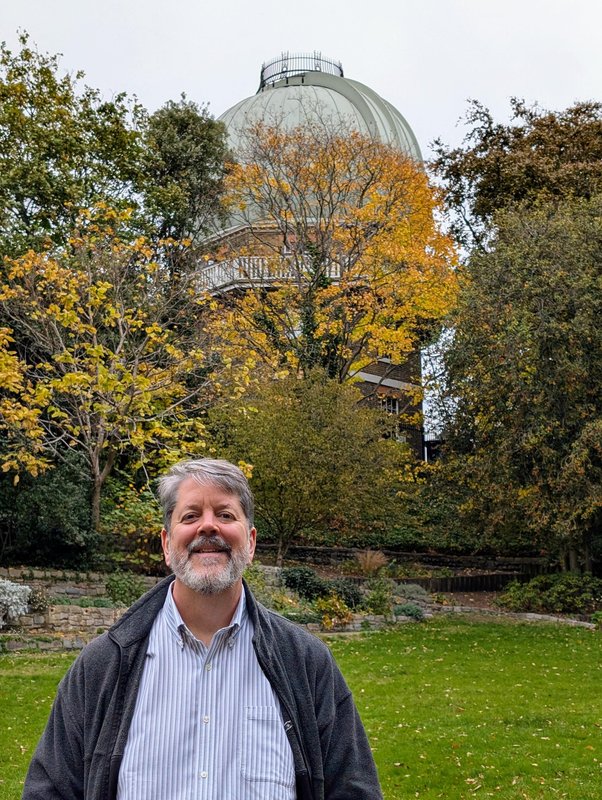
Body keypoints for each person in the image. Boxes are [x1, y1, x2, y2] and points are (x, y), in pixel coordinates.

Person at [23, 458, 383, 800]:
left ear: (251, 543)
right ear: (167, 544)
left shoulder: (306, 664)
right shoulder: (103, 666)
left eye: (225, 514)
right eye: (191, 515)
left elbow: (353, 790)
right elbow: (50, 790)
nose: (208, 526)